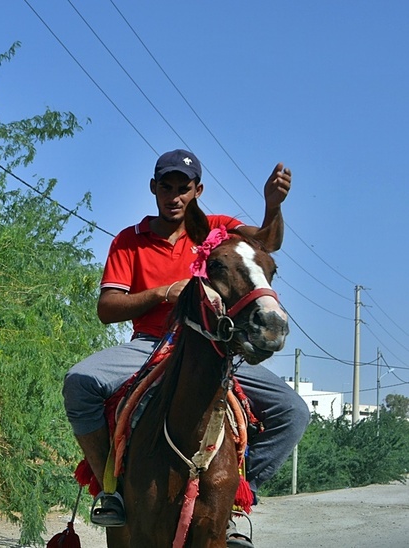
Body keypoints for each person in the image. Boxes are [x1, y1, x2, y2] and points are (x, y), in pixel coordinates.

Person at [62, 149, 310, 545]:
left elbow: (267, 244)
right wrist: (163, 292)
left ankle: (235, 502)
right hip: (150, 344)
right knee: (80, 381)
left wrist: (273, 206)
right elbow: (107, 308)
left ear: (197, 190)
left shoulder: (216, 231)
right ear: (153, 188)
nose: (174, 196)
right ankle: (111, 488)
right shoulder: (130, 240)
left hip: (212, 345)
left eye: (184, 188)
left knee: (292, 411)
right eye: (167, 187)